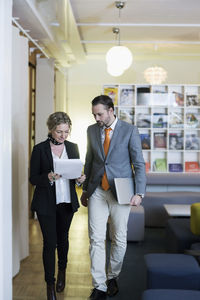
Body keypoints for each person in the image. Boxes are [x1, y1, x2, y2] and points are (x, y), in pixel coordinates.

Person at [80, 95, 146, 300]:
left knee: (118, 237)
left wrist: (139, 192)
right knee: (96, 239)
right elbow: (90, 160)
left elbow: (139, 163)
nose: (97, 118)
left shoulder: (130, 130)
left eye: (99, 114)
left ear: (110, 110)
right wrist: (85, 190)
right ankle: (99, 285)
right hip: (98, 190)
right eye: (94, 114)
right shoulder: (91, 130)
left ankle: (112, 277)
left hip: (123, 190)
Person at [29, 112, 85, 300]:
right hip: (46, 204)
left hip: (66, 203)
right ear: (51, 130)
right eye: (59, 131)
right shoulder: (39, 149)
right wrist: (48, 177)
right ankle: (50, 284)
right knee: (49, 243)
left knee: (63, 240)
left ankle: (62, 272)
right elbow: (33, 178)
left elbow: (76, 174)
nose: (63, 135)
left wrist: (79, 179)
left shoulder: (73, 147)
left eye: (66, 131)